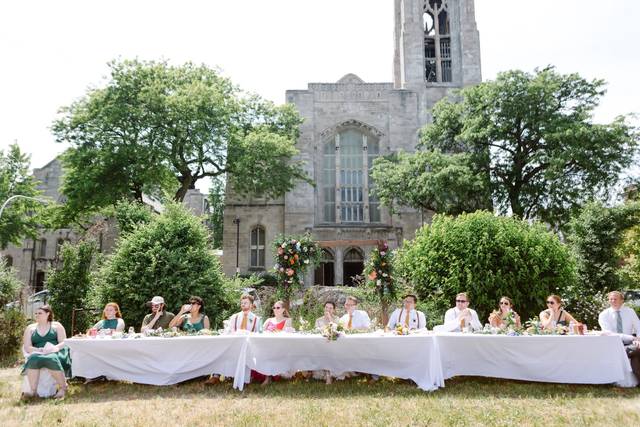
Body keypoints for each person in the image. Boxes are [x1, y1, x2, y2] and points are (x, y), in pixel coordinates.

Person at [21, 305, 71, 399]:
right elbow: (27, 347)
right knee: (33, 358)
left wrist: (53, 348)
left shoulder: (57, 326)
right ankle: (33, 391)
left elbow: (63, 342)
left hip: (55, 351)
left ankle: (63, 388)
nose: (37, 315)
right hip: (38, 352)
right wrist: (39, 350)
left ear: (48, 314)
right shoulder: (30, 328)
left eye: (40, 313)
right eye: (36, 313)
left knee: (51, 358)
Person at [598, 291, 640, 383]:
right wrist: (632, 338)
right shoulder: (603, 315)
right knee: (637, 352)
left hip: (629, 345)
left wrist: (639, 339)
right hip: (613, 345)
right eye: (611, 299)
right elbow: (609, 333)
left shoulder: (630, 312)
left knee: (637, 349)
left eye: (615, 299)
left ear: (622, 301)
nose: (613, 301)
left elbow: (638, 326)